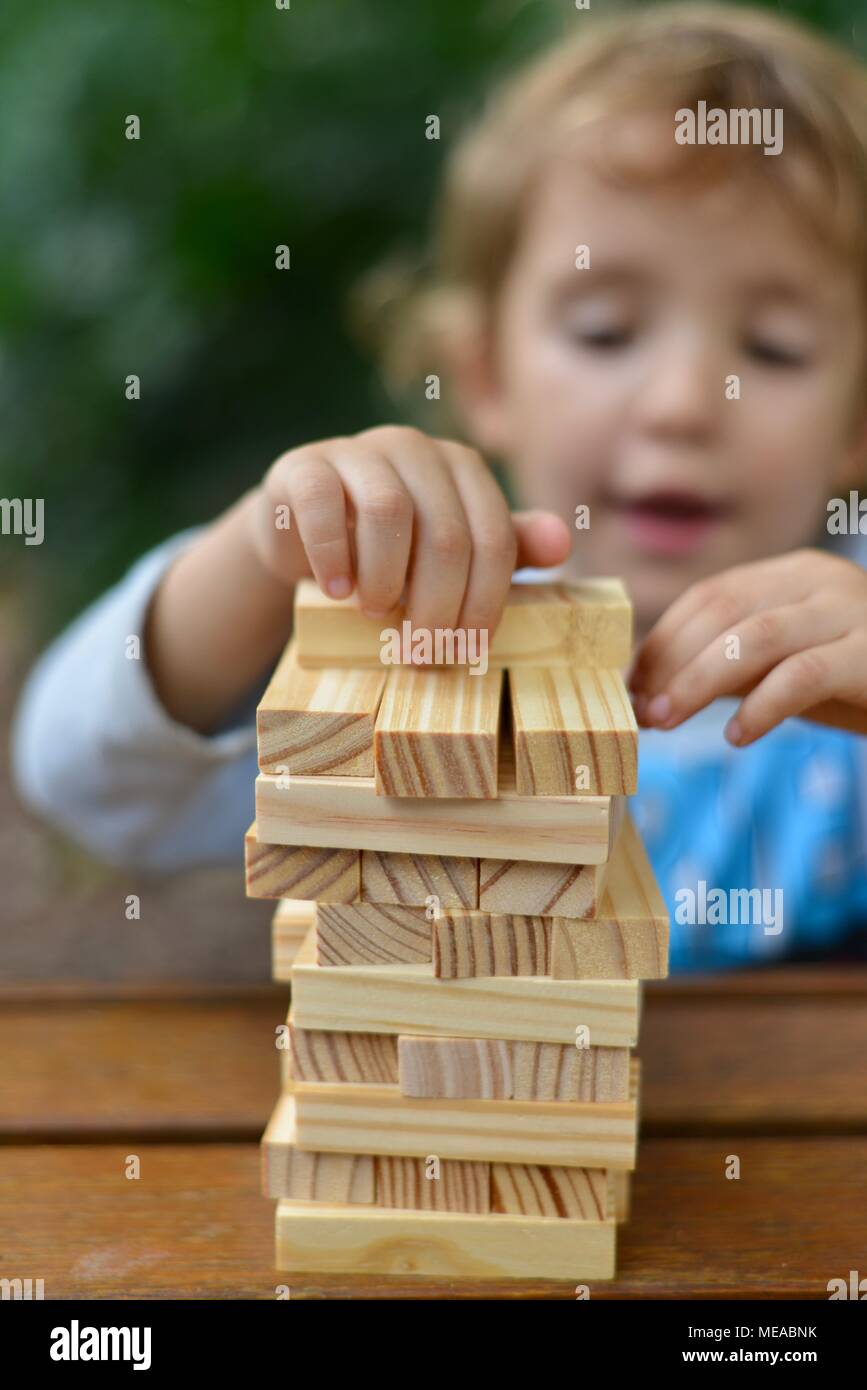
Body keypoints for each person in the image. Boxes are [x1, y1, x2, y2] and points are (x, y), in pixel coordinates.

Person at [12, 4, 867, 970]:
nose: (681, 403)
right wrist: (257, 554)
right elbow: (85, 783)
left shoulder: (852, 659)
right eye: (603, 332)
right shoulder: (414, 630)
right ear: (483, 376)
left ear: (858, 424)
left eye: (774, 348)